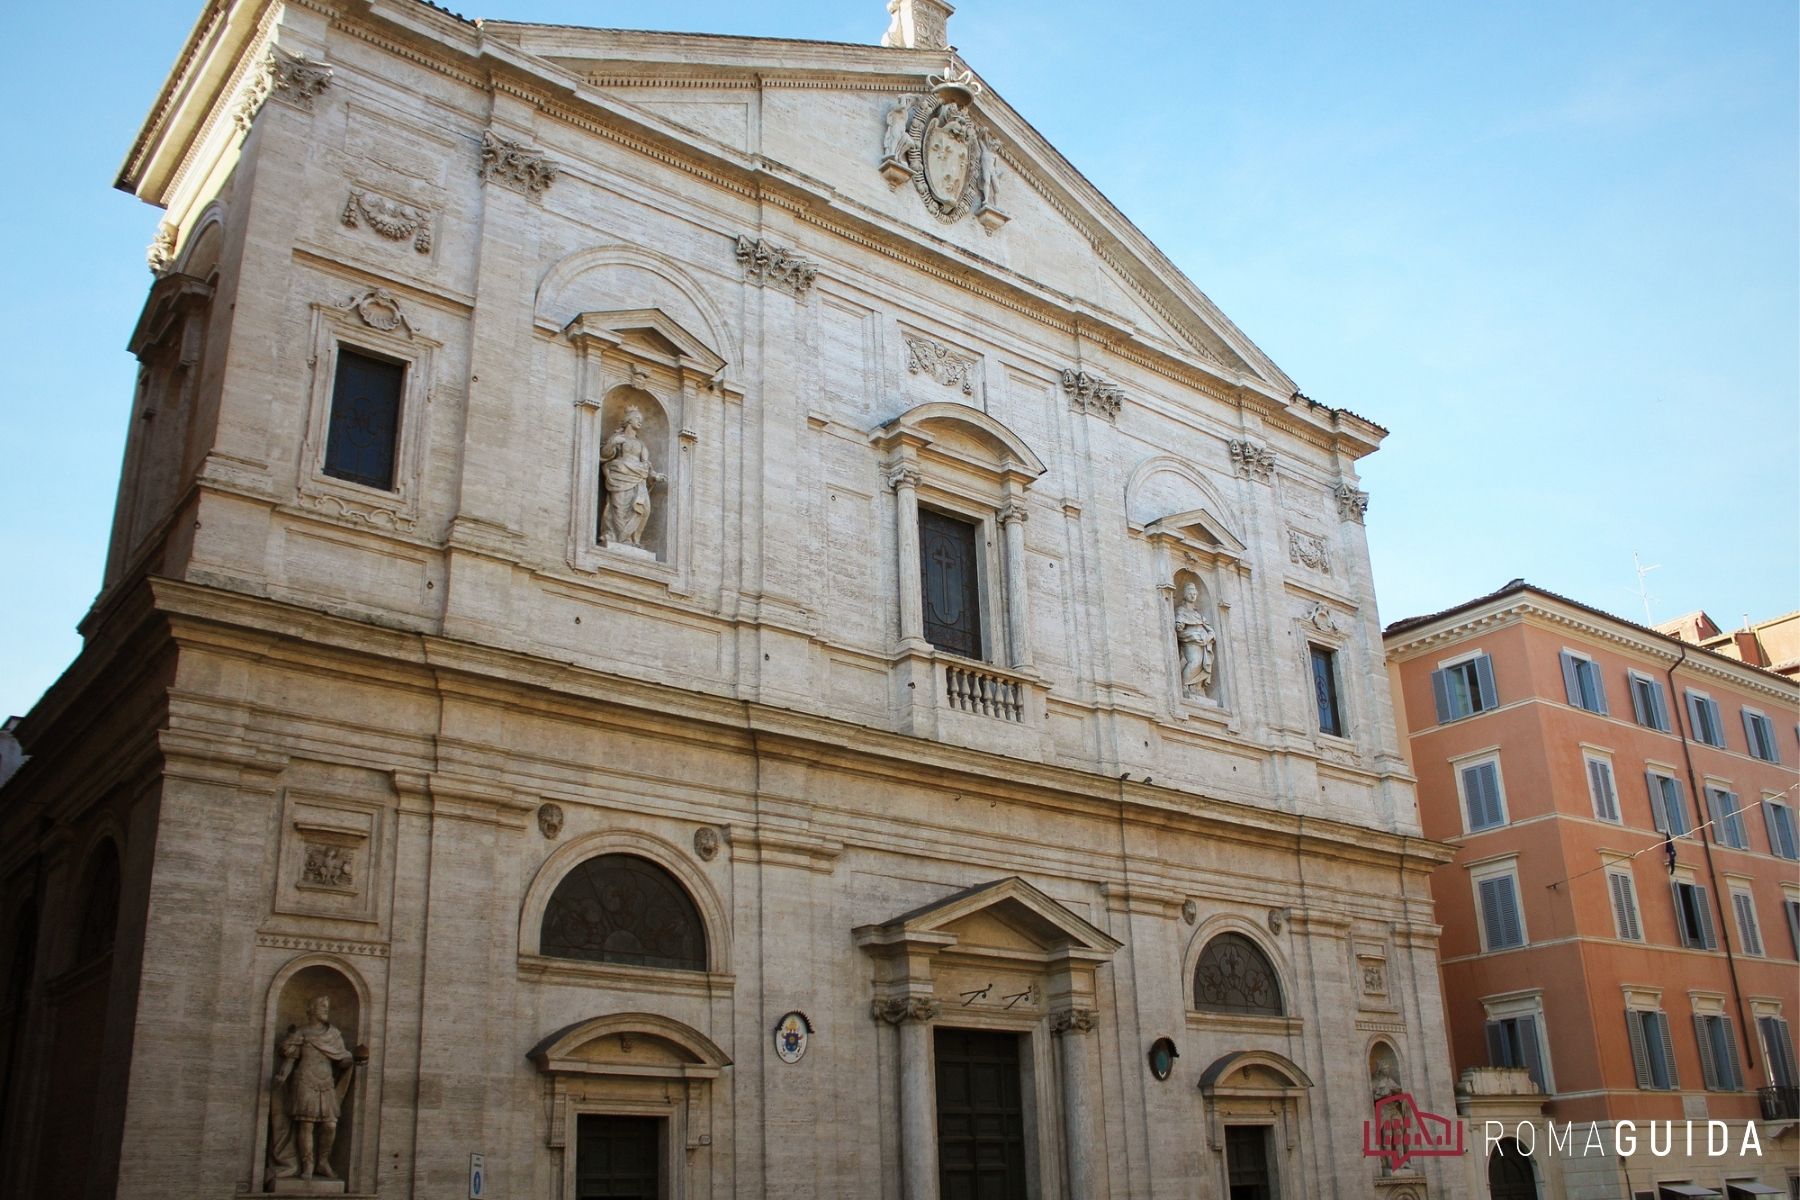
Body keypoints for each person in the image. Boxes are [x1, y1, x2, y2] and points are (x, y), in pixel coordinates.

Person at [270, 996, 356, 1180]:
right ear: (311, 1010)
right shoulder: (302, 1033)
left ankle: (323, 1162)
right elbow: (290, 1059)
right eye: (322, 1006)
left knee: (330, 1124)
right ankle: (307, 1164)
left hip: (326, 1081)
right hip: (304, 1080)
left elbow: (341, 1060)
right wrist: (282, 1076)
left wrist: (354, 1059)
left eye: (327, 1007)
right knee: (306, 1124)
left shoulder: (334, 1035)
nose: (326, 1009)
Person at [599, 405, 665, 548]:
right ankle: (620, 539)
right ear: (629, 420)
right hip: (620, 475)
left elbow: (647, 464)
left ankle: (632, 538)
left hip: (638, 477)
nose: (640, 422)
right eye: (637, 419)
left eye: (641, 420)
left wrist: (654, 476)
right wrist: (612, 443)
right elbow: (604, 455)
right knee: (619, 507)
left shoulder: (641, 444)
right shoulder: (618, 438)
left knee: (643, 508)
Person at [1174, 582, 1216, 698]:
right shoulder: (1181, 611)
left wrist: (1209, 637)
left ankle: (1196, 689)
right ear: (1185, 594)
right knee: (1195, 662)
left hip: (1203, 643)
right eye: (1190, 592)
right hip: (1190, 641)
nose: (1193, 595)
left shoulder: (1198, 615)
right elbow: (1179, 629)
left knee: (1202, 664)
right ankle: (1184, 686)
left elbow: (1210, 630)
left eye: (1194, 593)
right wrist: (1192, 635)